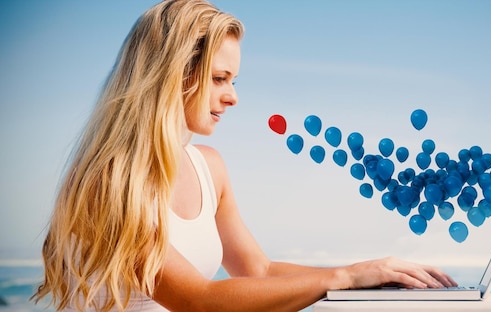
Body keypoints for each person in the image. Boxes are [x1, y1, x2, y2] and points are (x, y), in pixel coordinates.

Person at [32, 0, 457, 311]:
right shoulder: (108, 179)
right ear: (168, 76)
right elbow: (198, 301)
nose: (233, 97)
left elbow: (258, 270)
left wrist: (370, 275)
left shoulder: (208, 167)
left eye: (233, 79)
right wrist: (344, 278)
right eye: (219, 78)